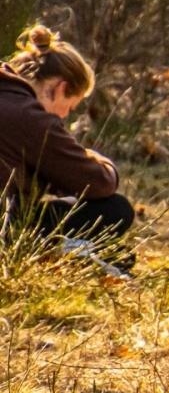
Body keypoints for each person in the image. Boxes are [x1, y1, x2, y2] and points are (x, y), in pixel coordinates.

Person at [0, 24, 135, 272]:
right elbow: (98, 182)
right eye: (69, 106)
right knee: (116, 209)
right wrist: (102, 162)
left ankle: (72, 250)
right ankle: (64, 251)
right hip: (5, 234)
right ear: (60, 88)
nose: (64, 116)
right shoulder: (29, 117)